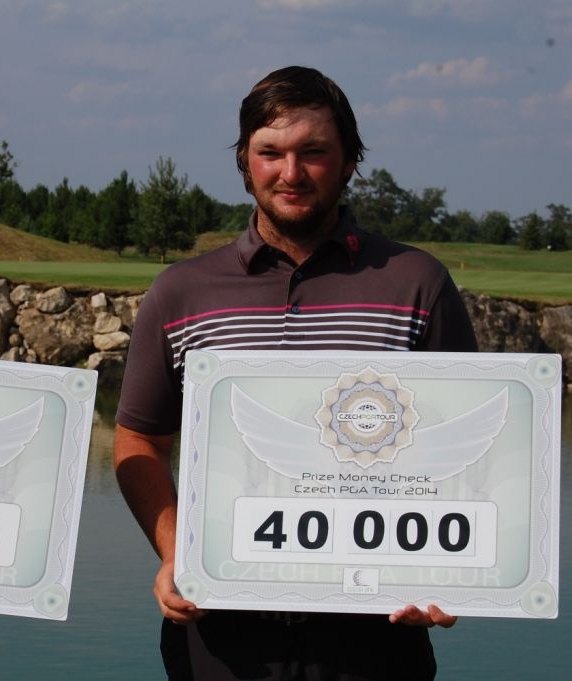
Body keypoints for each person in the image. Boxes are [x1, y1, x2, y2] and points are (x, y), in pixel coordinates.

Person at [113, 66, 477, 681]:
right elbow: (139, 439)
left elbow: (464, 451)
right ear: (244, 161)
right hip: (221, 630)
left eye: (314, 152)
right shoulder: (180, 291)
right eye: (270, 152)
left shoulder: (418, 282)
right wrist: (177, 552)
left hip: (376, 631)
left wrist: (449, 573)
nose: (291, 172)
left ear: (350, 161)